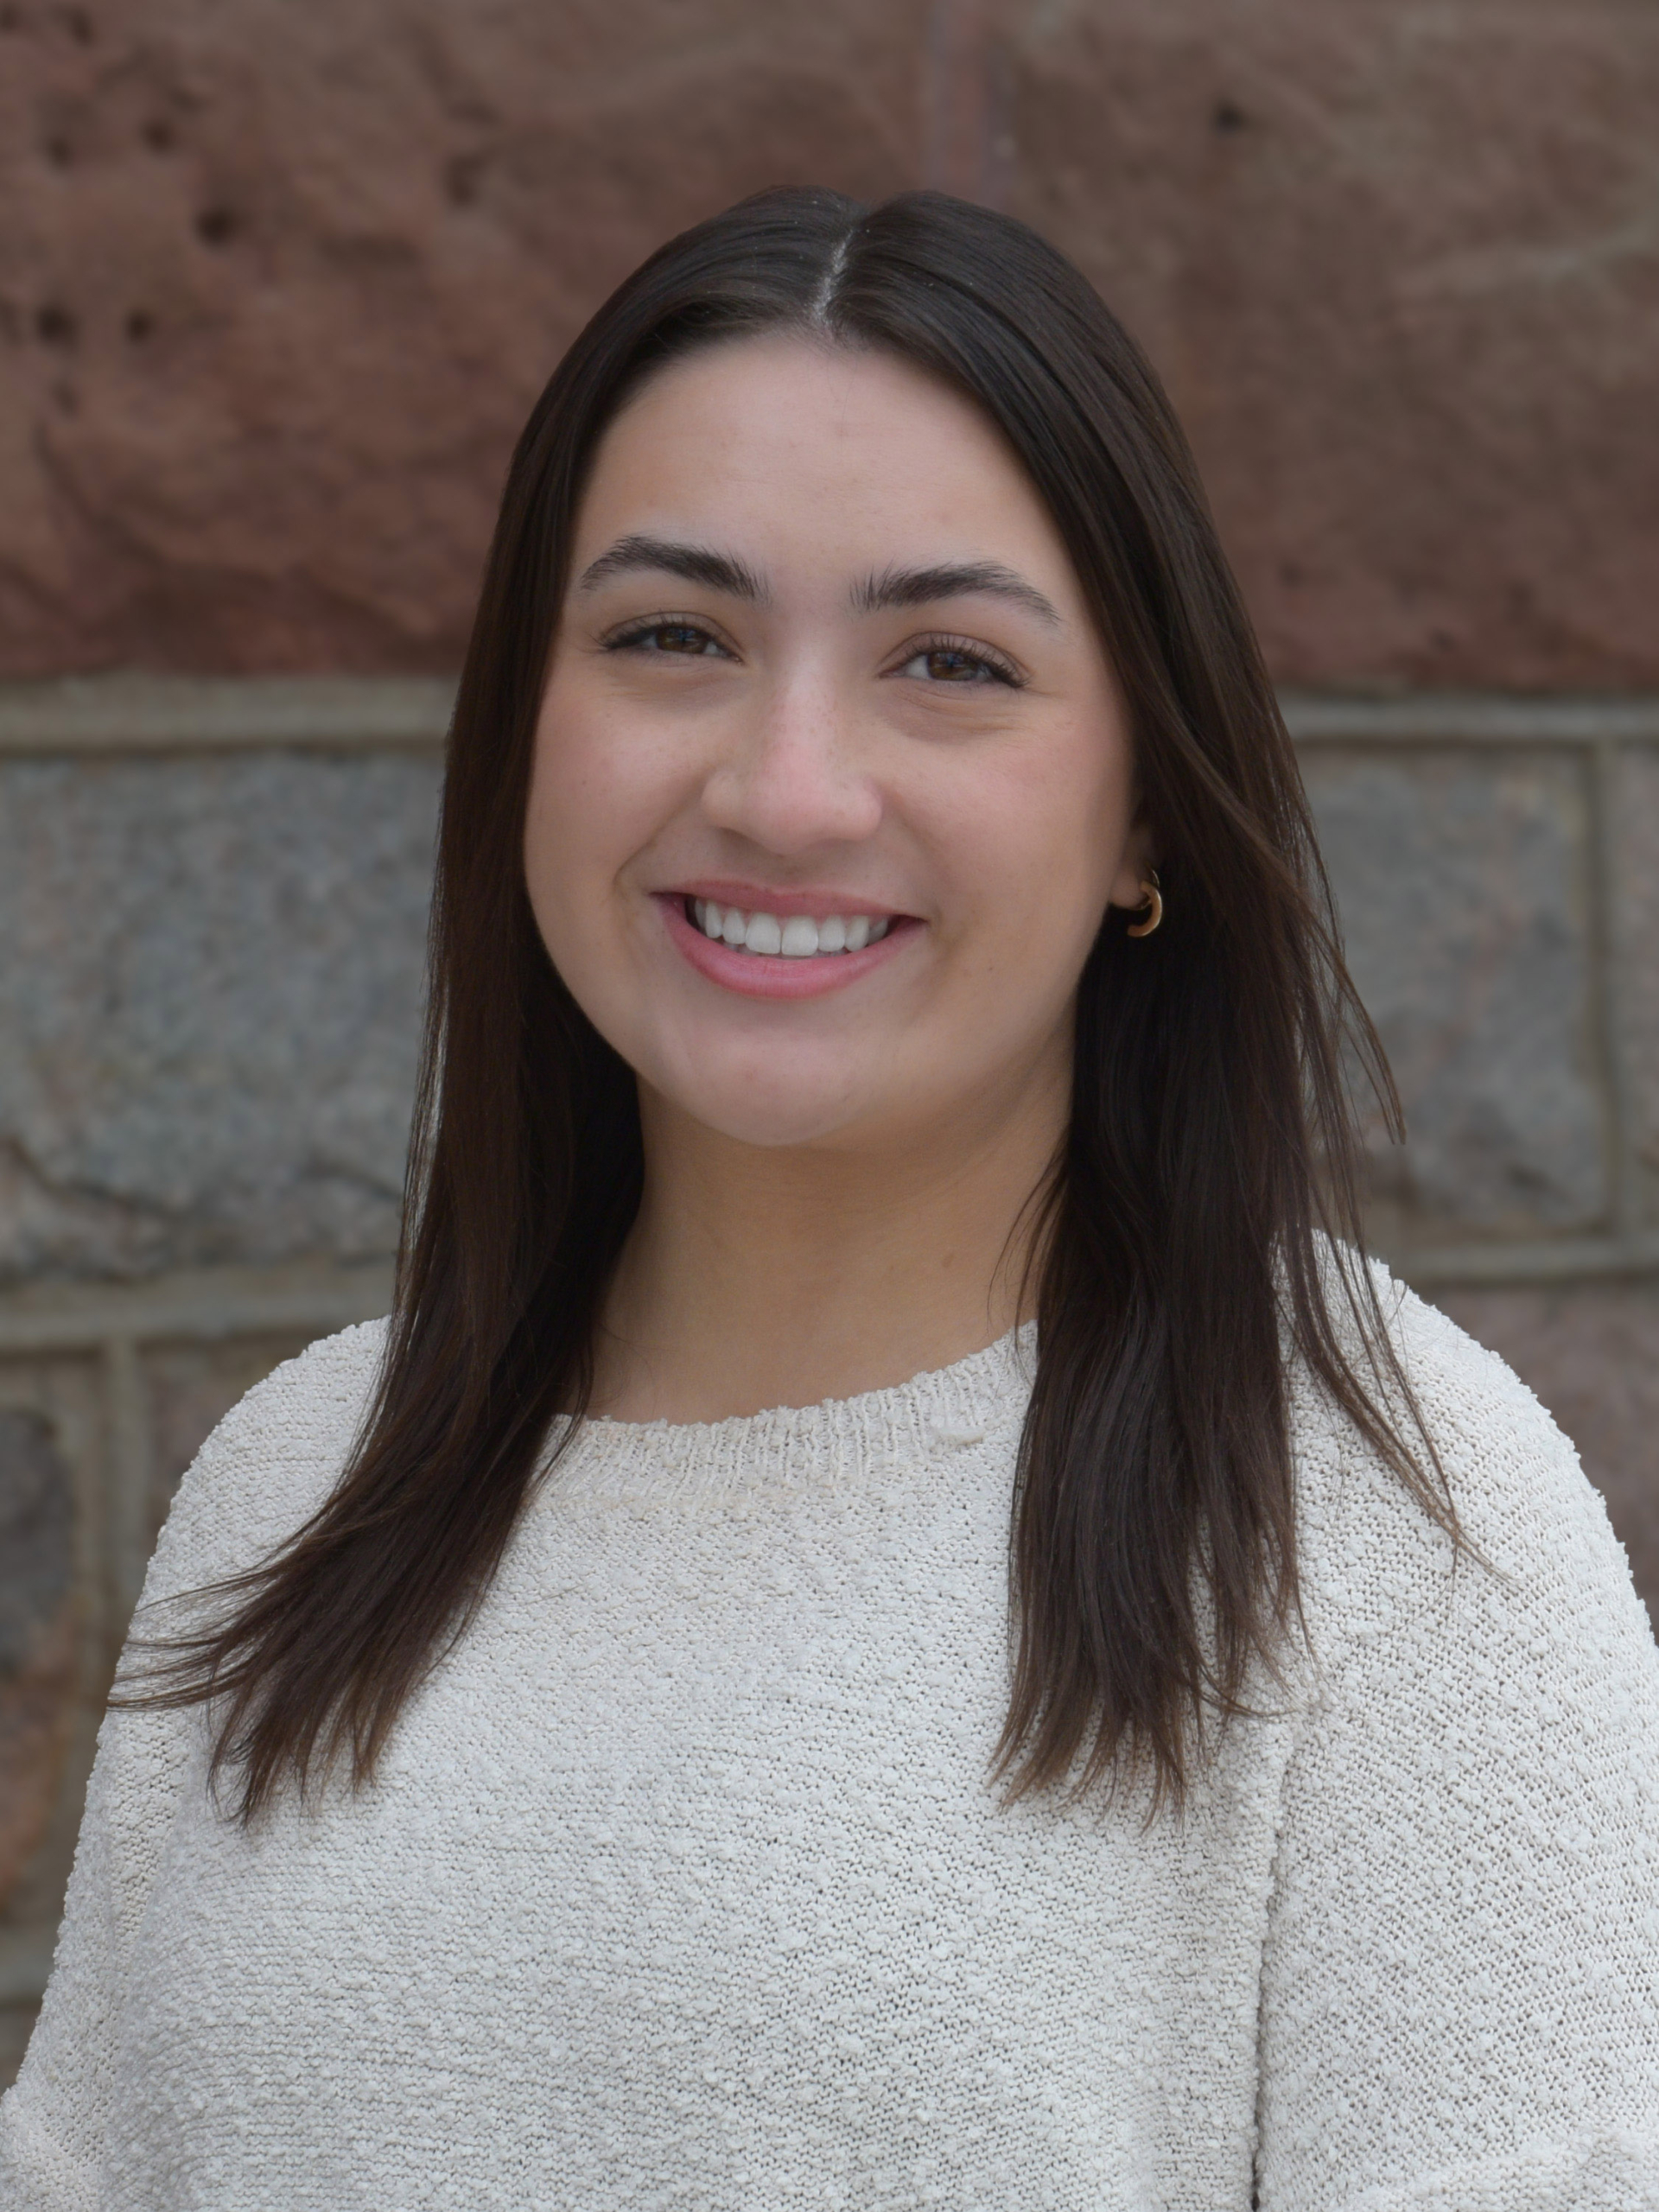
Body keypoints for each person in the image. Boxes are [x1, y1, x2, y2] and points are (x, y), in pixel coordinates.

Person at [3, 187, 1656, 2212]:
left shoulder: (1384, 1513)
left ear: (1145, 797)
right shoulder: (298, 1486)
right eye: (670, 637)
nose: (787, 788)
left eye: (948, 660)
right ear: (529, 730)